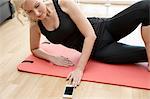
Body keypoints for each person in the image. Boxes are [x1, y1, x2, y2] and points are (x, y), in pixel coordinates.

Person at [13, 0, 150, 87]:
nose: (36, 13)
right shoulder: (35, 26)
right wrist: (52, 58)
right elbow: (35, 48)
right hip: (100, 51)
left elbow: (90, 35)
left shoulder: (63, 3)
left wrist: (79, 69)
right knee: (142, 55)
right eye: (29, 11)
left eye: (37, 5)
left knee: (146, 6)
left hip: (105, 28)